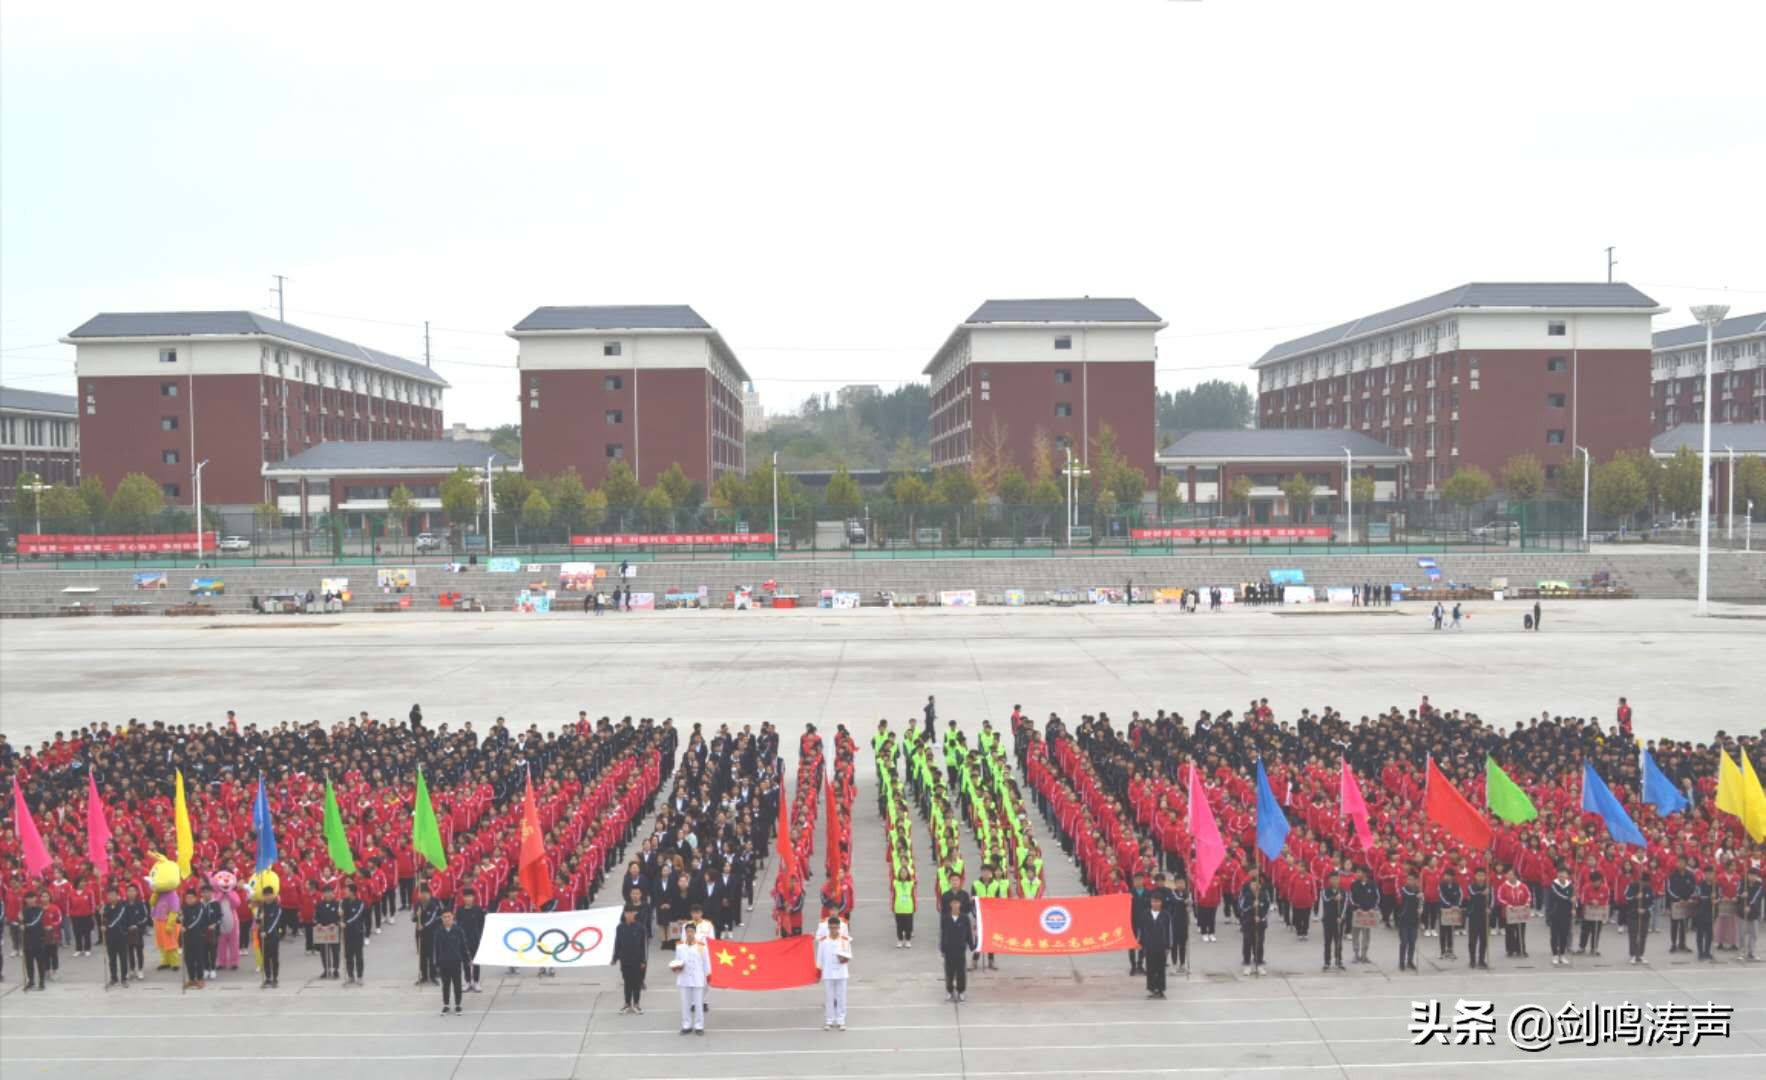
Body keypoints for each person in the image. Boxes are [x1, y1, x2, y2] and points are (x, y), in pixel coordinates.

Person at [816, 914, 852, 1029]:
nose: (833, 930)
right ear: (828, 928)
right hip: (828, 973)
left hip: (841, 973)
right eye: (831, 928)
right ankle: (829, 1020)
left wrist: (844, 959)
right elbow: (819, 958)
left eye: (835, 927)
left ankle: (841, 1020)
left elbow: (848, 955)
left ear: (839, 927)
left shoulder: (845, 940)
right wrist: (818, 972)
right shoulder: (823, 941)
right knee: (829, 997)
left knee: (841, 997)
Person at [673, 921, 709, 1035]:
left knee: (698, 1004)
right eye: (687, 931)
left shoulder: (701, 946)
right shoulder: (680, 946)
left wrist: (707, 977)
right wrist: (676, 967)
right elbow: (677, 960)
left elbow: (706, 963)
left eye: (691, 931)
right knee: (685, 1004)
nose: (689, 934)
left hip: (698, 978)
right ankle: (686, 1025)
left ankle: (699, 1026)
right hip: (684, 979)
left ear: (695, 932)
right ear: (685, 933)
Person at [432, 908, 468, 1016]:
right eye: (444, 917)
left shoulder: (458, 930)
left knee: (457, 984)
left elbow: (463, 946)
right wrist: (436, 963)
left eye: (449, 916)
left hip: (456, 961)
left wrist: (467, 960)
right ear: (442, 919)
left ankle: (458, 1005)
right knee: (445, 985)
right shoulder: (438, 932)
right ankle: (446, 1005)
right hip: (443, 962)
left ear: (453, 917)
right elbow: (436, 949)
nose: (447, 919)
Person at [939, 896, 973, 1003]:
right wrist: (942, 948)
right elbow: (943, 934)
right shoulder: (945, 918)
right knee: (949, 972)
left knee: (961, 972)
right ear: (950, 905)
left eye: (957, 903)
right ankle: (949, 991)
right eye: (953, 903)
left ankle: (961, 992)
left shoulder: (965, 918)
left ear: (960, 905)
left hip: (960, 950)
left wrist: (972, 945)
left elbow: (969, 934)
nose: (955, 905)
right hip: (949, 950)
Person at [614, 906, 648, 1014]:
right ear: (624, 914)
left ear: (634, 913)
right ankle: (627, 1003)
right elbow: (617, 944)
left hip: (637, 960)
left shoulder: (640, 927)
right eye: (626, 913)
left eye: (631, 912)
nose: (628, 915)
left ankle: (636, 1004)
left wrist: (643, 961)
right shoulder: (620, 928)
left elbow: (643, 946)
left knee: (637, 982)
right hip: (625, 960)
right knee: (627, 982)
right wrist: (615, 957)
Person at [1238, 871, 1270, 977]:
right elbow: (1242, 908)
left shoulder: (1263, 895)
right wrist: (1252, 906)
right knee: (1247, 943)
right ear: (1250, 885)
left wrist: (1260, 918)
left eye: (1257, 884)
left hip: (1260, 924)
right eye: (1253, 884)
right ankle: (1247, 965)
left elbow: (1267, 909)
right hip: (1248, 924)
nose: (1255, 886)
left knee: (1259, 944)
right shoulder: (1246, 896)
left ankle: (1259, 963)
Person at [1141, 890, 1172, 998]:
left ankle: (1160, 989)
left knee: (1160, 969)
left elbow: (1169, 931)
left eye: (1157, 901)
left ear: (1161, 903)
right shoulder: (1146, 914)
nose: (1155, 903)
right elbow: (1143, 931)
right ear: (1150, 902)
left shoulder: (1165, 915)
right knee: (1150, 968)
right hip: (1149, 946)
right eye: (1153, 901)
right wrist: (1142, 945)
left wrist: (1168, 946)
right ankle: (1152, 988)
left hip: (1161, 946)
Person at [1497, 867, 1530, 958]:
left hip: (1521, 912)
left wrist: (1527, 904)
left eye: (1511, 874)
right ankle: (1510, 950)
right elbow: (1499, 897)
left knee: (1521, 931)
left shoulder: (1523, 886)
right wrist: (1507, 904)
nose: (1509, 876)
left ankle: (1521, 949)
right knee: (1510, 932)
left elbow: (1528, 896)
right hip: (1509, 912)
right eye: (1508, 874)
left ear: (1515, 875)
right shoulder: (1503, 886)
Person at [1546, 865, 1575, 966]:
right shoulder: (1553, 884)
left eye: (1564, 874)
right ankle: (1555, 955)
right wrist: (1568, 899)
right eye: (1560, 874)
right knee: (1554, 935)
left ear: (1567, 875)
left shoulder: (1570, 885)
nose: (1562, 876)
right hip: (1555, 913)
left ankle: (1562, 955)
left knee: (1564, 935)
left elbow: (1573, 898)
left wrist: (1574, 907)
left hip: (1566, 914)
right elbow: (1557, 895)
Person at [1349, 868, 1378, 964]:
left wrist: (1373, 908)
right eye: (1356, 872)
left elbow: (1377, 897)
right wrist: (1357, 907)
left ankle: (1364, 955)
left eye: (1359, 872)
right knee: (1355, 935)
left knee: (1366, 935)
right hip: (1358, 914)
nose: (1357, 874)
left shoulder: (1372, 884)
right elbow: (1350, 898)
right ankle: (1356, 954)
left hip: (1368, 915)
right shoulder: (1354, 884)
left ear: (1364, 874)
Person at [1624, 869, 1653, 965]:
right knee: (1633, 935)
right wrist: (1636, 897)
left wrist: (1645, 909)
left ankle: (1640, 954)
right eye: (1643, 882)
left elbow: (1652, 903)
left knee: (1643, 935)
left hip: (1644, 916)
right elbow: (1627, 898)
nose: (1644, 884)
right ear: (1639, 880)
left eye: (1646, 882)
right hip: (1632, 915)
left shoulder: (1649, 888)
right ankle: (1633, 954)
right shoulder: (1632, 886)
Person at [257, 885, 284, 988]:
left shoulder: (277, 907)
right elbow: (257, 921)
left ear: (273, 895)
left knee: (274, 957)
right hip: (262, 936)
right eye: (265, 895)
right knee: (265, 957)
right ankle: (267, 977)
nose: (268, 897)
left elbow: (275, 922)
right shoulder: (261, 907)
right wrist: (259, 917)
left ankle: (275, 977)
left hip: (273, 936)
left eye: (269, 895)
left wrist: (267, 932)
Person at [342, 881, 368, 985]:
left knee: (358, 956)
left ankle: (360, 976)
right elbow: (340, 914)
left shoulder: (360, 903)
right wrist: (340, 914)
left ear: (352, 892)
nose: (345, 892)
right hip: (347, 934)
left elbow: (357, 916)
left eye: (347, 890)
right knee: (348, 955)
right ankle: (350, 976)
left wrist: (346, 923)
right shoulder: (343, 902)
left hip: (357, 932)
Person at [1465, 868, 1491, 970]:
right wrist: (1482, 894)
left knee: (1484, 939)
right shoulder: (1471, 887)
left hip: (1484, 915)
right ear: (1475, 877)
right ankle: (1472, 960)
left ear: (1485, 877)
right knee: (1473, 940)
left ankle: (1481, 960)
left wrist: (1490, 908)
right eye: (1478, 875)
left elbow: (1492, 899)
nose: (1480, 878)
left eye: (1482, 875)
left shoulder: (1488, 887)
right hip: (1474, 915)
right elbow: (1473, 895)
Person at [1395, 871, 1421, 971]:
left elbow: (1421, 902)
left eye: (1411, 880)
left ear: (1416, 881)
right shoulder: (1404, 889)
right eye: (1408, 879)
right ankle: (1401, 962)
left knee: (1412, 942)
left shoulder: (1418, 890)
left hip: (1414, 920)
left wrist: (1421, 908)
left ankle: (1410, 960)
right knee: (1404, 942)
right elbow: (1408, 895)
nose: (1409, 881)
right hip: (1404, 919)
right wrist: (1416, 896)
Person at [314, 883, 341, 979]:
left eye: (329, 892)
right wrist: (318, 923)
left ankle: (335, 969)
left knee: (335, 951)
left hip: (334, 931)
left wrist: (335, 923)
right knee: (324, 951)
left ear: (332, 893)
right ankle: (326, 969)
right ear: (323, 894)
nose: (328, 895)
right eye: (325, 893)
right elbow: (316, 917)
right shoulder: (319, 905)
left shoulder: (337, 904)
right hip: (323, 931)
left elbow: (340, 918)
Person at [1321, 872, 1346, 972]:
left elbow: (1345, 905)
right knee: (1327, 942)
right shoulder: (1325, 891)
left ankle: (1338, 960)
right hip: (1328, 920)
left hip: (1339, 921)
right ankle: (1327, 962)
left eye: (1337, 879)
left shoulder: (1343, 892)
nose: (1335, 881)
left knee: (1338, 942)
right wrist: (1334, 899)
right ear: (1330, 880)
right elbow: (1326, 900)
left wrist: (1341, 917)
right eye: (1333, 879)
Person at [1437, 868, 1462, 961]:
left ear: (1452, 877)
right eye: (1445, 875)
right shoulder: (1441, 885)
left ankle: (1450, 950)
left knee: (1450, 930)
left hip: (1454, 910)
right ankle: (1443, 951)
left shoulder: (1456, 885)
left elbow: (1460, 895)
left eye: (1448, 876)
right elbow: (1441, 896)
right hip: (1444, 909)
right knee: (1443, 930)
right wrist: (1449, 905)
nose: (1446, 877)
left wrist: (1457, 905)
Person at [892, 862, 916, 948]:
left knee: (908, 926)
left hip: (908, 908)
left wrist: (914, 906)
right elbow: (893, 896)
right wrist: (892, 906)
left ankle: (908, 940)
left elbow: (914, 896)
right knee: (899, 926)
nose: (903, 874)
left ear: (907, 874)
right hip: (898, 907)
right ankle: (900, 940)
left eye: (905, 872)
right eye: (901, 872)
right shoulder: (895, 883)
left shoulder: (911, 883)